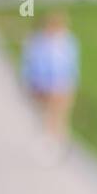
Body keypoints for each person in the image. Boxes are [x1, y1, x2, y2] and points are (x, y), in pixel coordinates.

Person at [22, 9, 80, 141]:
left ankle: (58, 136)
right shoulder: (38, 42)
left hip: (63, 83)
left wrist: (72, 82)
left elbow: (73, 64)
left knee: (61, 111)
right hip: (44, 83)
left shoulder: (69, 41)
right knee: (48, 110)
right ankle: (47, 135)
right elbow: (31, 64)